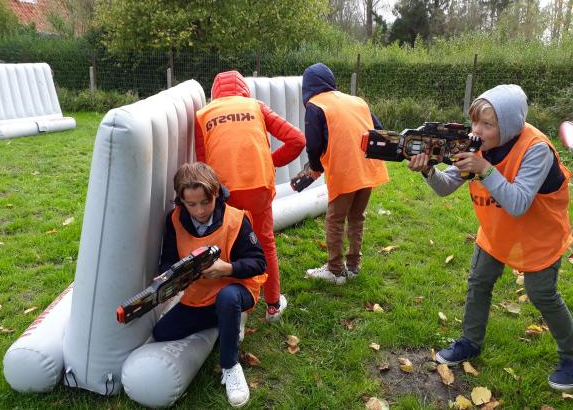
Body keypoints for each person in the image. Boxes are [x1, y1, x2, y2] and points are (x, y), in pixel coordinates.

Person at [407, 84, 573, 391]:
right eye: (474, 122)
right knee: (479, 281)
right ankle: (470, 342)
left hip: (540, 233)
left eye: (487, 124)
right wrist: (427, 170)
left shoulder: (535, 148)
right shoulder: (475, 145)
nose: (476, 131)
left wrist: (484, 169)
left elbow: (519, 203)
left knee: (543, 294)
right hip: (497, 229)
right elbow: (445, 187)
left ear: (508, 124)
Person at [151, 162, 267, 407]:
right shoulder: (174, 220)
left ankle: (231, 365)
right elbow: (168, 259)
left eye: (206, 202)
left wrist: (227, 268)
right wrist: (167, 277)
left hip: (238, 288)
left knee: (228, 299)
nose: (200, 210)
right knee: (162, 333)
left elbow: (259, 263)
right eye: (191, 204)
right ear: (181, 201)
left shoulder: (236, 218)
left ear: (216, 194)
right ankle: (227, 320)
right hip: (199, 296)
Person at [195, 70, 305, 322]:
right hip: (259, 187)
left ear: (214, 94)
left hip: (223, 192)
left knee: (228, 246)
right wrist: (270, 162)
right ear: (244, 90)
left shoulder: (203, 114)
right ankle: (273, 305)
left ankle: (233, 306)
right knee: (265, 242)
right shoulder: (256, 106)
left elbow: (203, 163)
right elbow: (297, 140)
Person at [301, 63, 389, 285]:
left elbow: (312, 144)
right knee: (357, 217)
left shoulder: (315, 105)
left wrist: (315, 167)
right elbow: (378, 128)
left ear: (308, 86)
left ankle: (335, 270)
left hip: (345, 170)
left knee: (335, 219)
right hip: (368, 167)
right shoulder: (357, 101)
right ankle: (353, 266)